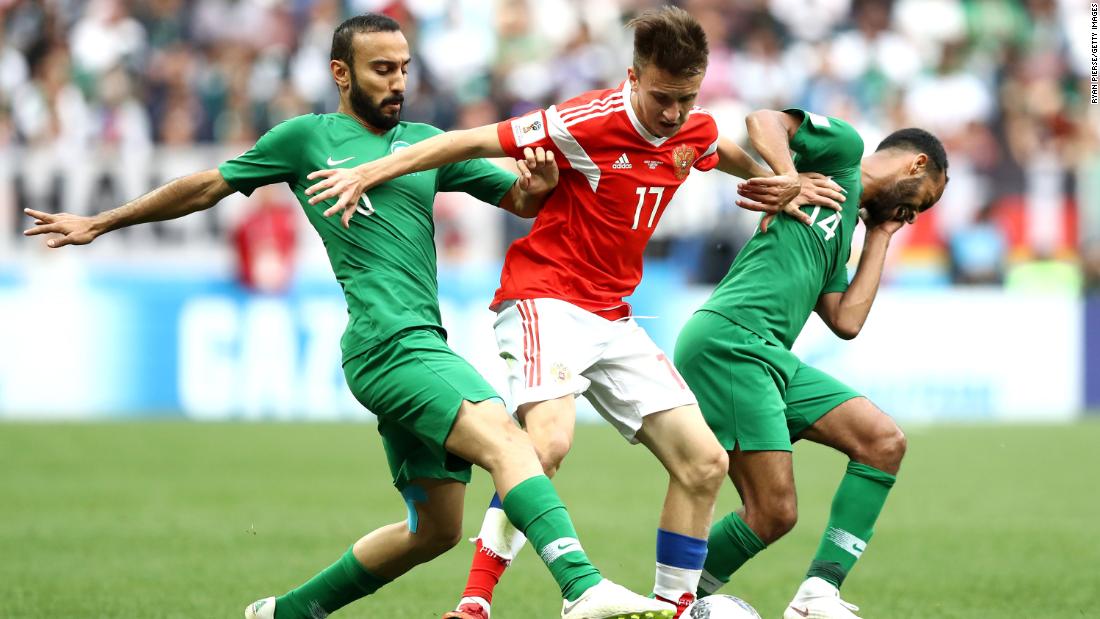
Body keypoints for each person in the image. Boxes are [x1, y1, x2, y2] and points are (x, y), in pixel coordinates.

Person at [22, 13, 677, 619]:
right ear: (342, 73)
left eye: (404, 69)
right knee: (510, 441)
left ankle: (289, 610)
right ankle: (582, 583)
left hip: (414, 342)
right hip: (388, 345)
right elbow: (208, 184)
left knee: (436, 530)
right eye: (381, 69)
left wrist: (533, 184)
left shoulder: (423, 144)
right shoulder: (307, 139)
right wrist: (102, 221)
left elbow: (519, 199)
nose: (397, 83)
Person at [301, 7, 845, 619]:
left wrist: (779, 180)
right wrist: (373, 170)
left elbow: (719, 145)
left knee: (704, 461)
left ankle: (675, 607)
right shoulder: (585, 120)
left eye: (686, 98)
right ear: (634, 77)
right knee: (547, 443)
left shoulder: (691, 126)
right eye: (663, 97)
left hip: (612, 314)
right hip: (545, 297)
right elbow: (466, 142)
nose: (673, 113)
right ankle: (476, 602)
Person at [674, 109, 948, 618]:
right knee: (772, 513)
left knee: (883, 442)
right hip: (731, 342)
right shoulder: (843, 152)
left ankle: (817, 594)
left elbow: (846, 321)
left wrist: (881, 236)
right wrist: (788, 176)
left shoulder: (843, 230)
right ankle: (675, 603)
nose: (915, 213)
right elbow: (764, 120)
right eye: (924, 200)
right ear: (917, 165)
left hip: (772, 355)